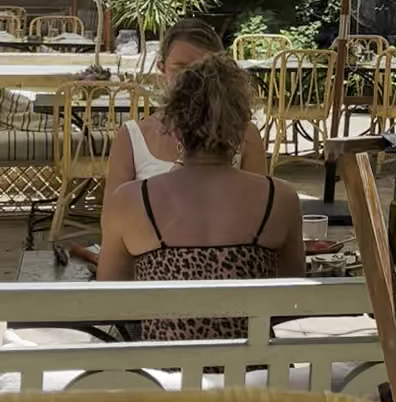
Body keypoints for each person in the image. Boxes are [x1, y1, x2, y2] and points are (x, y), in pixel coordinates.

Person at [98, 54, 304, 339]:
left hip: (164, 366)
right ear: (241, 127)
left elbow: (111, 301)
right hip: (252, 367)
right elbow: (291, 302)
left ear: (175, 126)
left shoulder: (130, 201)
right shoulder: (280, 199)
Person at [104, 17, 265, 209]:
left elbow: (261, 212)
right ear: (162, 68)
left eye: (203, 69)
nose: (193, 79)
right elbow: (113, 217)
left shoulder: (245, 135)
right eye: (181, 68)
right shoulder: (131, 138)